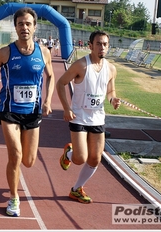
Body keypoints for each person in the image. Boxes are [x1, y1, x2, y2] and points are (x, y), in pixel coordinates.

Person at [0, 7, 54, 217]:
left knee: (29, 161)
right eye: (20, 23)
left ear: (35, 27)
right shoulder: (6, 52)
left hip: (33, 112)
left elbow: (50, 76)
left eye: (28, 23)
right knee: (15, 155)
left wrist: (48, 100)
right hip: (9, 111)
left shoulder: (44, 52)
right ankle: (14, 198)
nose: (24, 27)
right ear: (15, 27)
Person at [56, 30, 121, 204]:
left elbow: (110, 90)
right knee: (80, 158)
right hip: (79, 117)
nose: (102, 47)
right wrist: (66, 108)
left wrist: (113, 100)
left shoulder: (111, 69)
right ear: (90, 46)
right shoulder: (81, 66)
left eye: (105, 44)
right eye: (99, 44)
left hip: (98, 118)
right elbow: (60, 83)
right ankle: (69, 154)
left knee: (95, 158)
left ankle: (76, 189)